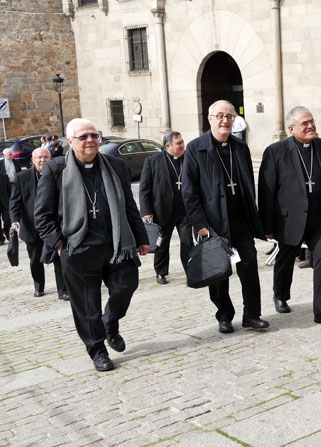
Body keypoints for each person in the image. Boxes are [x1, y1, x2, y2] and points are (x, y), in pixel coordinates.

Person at [34, 118, 150, 372]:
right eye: (83, 137)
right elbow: (42, 216)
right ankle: (97, 350)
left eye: (94, 135)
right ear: (70, 141)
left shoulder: (115, 165)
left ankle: (110, 322)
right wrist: (60, 245)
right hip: (79, 250)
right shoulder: (56, 170)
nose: (90, 141)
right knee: (87, 306)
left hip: (116, 245)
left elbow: (129, 205)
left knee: (126, 286)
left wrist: (141, 237)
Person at [182, 100, 269, 334]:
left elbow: (248, 184)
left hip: (241, 220)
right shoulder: (195, 148)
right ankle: (224, 315)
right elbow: (189, 192)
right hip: (213, 223)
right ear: (210, 119)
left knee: (249, 267)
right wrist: (200, 224)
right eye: (219, 116)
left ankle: (252, 315)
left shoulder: (240, 147)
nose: (224, 120)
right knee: (218, 272)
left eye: (229, 116)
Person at [258, 106, 321, 326]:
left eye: (312, 121)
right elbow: (267, 192)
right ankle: (280, 294)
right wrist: (267, 226)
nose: (310, 126)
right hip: (290, 220)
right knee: (285, 260)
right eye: (304, 123)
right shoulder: (275, 152)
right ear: (291, 128)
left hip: (318, 219)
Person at [9, 147, 68, 299]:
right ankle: (39, 286)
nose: (42, 160)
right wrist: (15, 220)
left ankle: (63, 290)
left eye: (46, 157)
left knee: (59, 258)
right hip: (31, 227)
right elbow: (15, 202)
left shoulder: (59, 174)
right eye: (39, 157)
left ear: (51, 159)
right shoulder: (22, 177)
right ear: (32, 160)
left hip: (53, 226)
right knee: (35, 260)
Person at [139, 130, 194, 284]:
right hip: (162, 211)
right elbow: (144, 189)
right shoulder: (152, 161)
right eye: (178, 143)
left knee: (187, 242)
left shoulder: (188, 159)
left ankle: (191, 271)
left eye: (182, 142)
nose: (182, 145)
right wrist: (146, 211)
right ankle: (161, 272)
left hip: (184, 211)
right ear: (168, 146)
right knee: (162, 244)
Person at [0, 172, 10, 245]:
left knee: (8, 219)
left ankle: (6, 230)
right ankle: (1, 238)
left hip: (5, 203)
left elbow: (10, 190)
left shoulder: (4, 177)